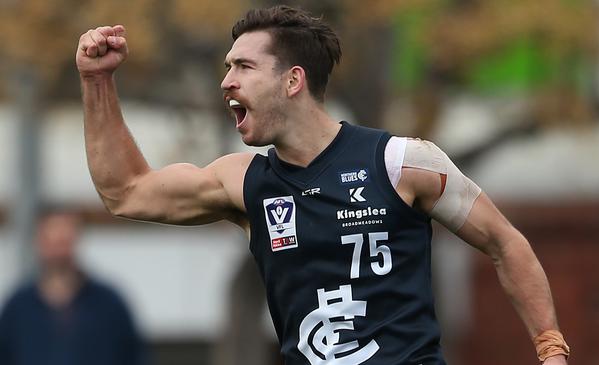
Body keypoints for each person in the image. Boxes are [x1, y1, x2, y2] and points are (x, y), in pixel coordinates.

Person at [75, 5, 570, 365]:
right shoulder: (242, 181)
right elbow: (127, 191)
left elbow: (506, 243)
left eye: (243, 66)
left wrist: (550, 349)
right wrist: (97, 82)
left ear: (293, 81)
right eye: (227, 67)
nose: (226, 80)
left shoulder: (402, 162)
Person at [0, 208, 147, 365]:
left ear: (76, 241)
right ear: (38, 244)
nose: (58, 252)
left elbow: (134, 357)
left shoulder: (109, 305)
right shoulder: (18, 308)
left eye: (64, 242)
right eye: (51, 242)